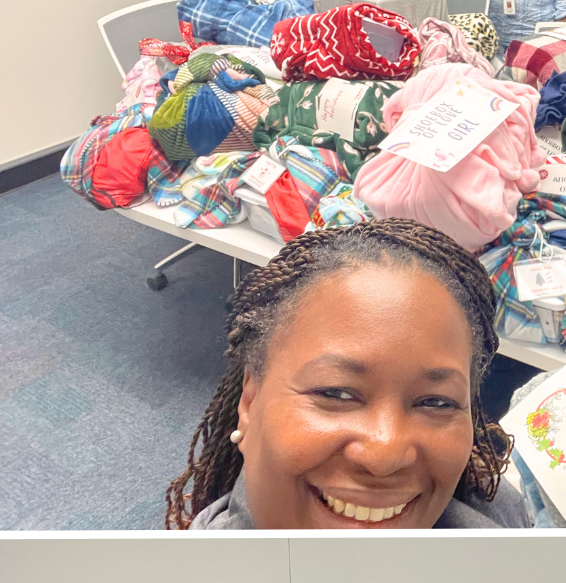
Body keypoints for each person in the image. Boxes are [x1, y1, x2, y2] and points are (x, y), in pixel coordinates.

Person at [167, 219, 530, 530]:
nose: (385, 454)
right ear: (249, 401)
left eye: (436, 401)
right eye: (336, 393)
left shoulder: (499, 518)